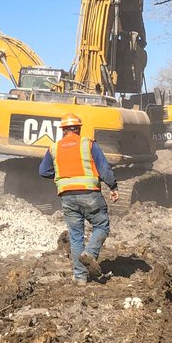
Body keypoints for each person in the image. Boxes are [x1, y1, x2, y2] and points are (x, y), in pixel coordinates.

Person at [38, 112, 119, 285]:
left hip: (66, 196)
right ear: (79, 129)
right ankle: (90, 253)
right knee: (101, 225)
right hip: (89, 194)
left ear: (63, 130)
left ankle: (80, 278)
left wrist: (61, 174)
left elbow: (43, 171)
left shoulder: (54, 148)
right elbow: (104, 169)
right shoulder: (88, 144)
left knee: (76, 236)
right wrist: (113, 186)